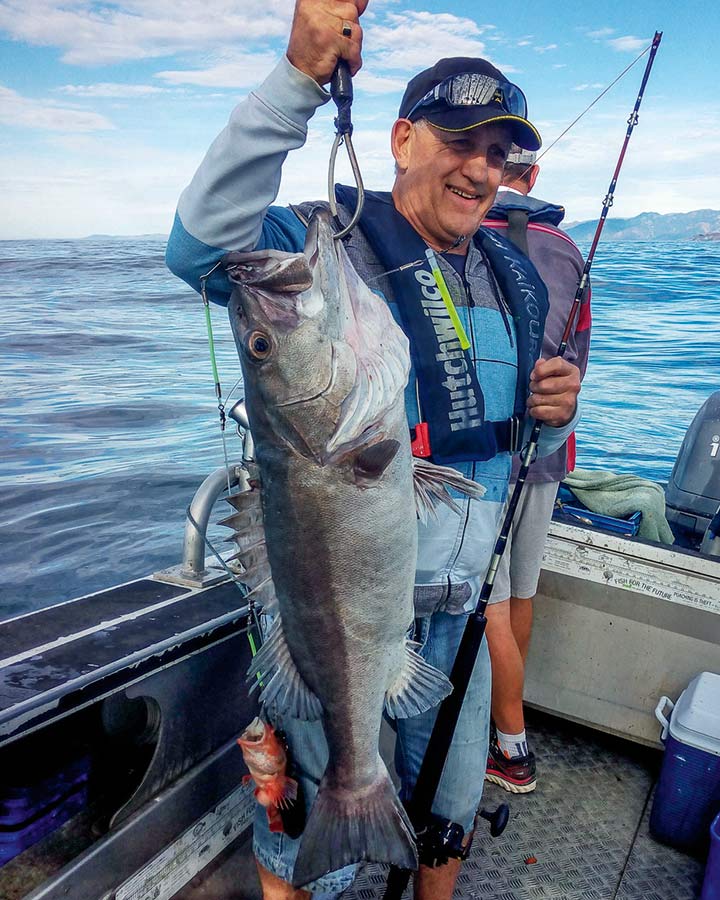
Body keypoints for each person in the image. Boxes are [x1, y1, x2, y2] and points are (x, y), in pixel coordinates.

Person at [165, 2, 581, 898]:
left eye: (499, 152)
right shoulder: (325, 245)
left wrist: (551, 409)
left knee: (447, 810)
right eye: (459, 140)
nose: (481, 169)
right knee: (304, 823)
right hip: (331, 602)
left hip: (458, 609)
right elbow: (199, 248)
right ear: (399, 140)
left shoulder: (510, 268)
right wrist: (297, 82)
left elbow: (500, 431)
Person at [482, 147, 592, 794]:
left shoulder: (462, 240)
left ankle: (510, 744)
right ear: (535, 177)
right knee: (519, 594)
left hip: (487, 454)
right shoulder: (569, 250)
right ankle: (505, 730)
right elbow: (577, 358)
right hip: (549, 451)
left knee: (487, 604)